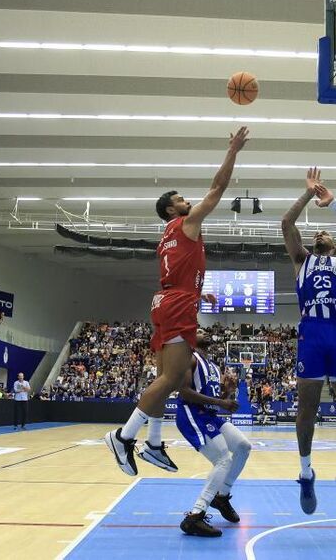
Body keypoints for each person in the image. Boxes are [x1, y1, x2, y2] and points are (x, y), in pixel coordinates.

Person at [105, 127, 249, 476]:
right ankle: (124, 437)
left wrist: (200, 293)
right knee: (172, 379)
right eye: (183, 199)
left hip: (166, 300)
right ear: (173, 208)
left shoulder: (166, 236)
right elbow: (218, 189)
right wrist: (233, 151)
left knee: (162, 376)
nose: (189, 201)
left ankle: (154, 444)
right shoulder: (186, 223)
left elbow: (177, 274)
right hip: (177, 305)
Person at [281, 167, 336, 515]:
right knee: (307, 408)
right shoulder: (301, 259)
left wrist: (332, 203)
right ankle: (306, 474)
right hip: (313, 333)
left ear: (333, 244)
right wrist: (307, 194)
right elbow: (287, 226)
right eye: (316, 232)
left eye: (325, 232)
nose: (320, 233)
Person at [176, 330, 252, 538]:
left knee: (244, 447)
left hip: (209, 416)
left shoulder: (213, 367)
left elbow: (211, 397)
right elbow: (184, 392)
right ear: (191, 338)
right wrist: (221, 402)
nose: (205, 333)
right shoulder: (189, 358)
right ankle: (195, 515)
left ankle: (222, 496)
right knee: (223, 460)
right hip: (191, 414)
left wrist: (225, 392)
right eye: (199, 331)